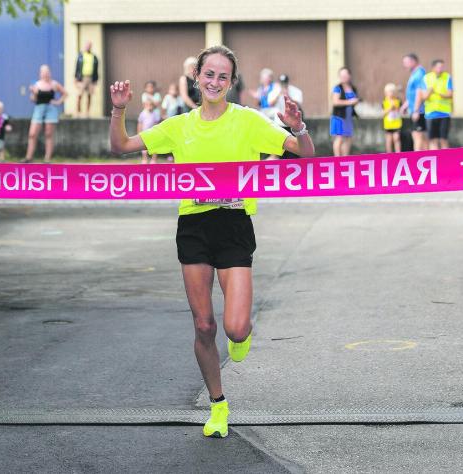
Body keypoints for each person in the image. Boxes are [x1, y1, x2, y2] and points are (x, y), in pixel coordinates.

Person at [108, 45, 315, 439]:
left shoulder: (249, 121)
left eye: (223, 76)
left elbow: (304, 155)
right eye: (209, 74)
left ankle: (242, 334)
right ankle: (218, 405)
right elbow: (121, 147)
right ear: (197, 78)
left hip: (235, 224)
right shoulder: (179, 125)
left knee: (235, 329)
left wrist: (297, 127)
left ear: (231, 82)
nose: (215, 82)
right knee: (204, 325)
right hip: (194, 227)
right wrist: (119, 110)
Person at [23, 65, 67, 163]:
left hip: (50, 109)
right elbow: (33, 100)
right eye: (43, 72)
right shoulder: (36, 85)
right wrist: (34, 93)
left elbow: (65, 93)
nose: (45, 74)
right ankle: (28, 157)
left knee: (48, 134)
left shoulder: (54, 84)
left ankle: (47, 159)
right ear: (40, 73)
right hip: (39, 109)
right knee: (32, 134)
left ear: (49, 73)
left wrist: (58, 102)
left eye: (47, 71)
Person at [416, 59, 453, 150]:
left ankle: (446, 161)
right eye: (438, 67)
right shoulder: (426, 78)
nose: (441, 69)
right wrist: (430, 91)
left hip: (444, 113)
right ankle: (436, 161)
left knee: (444, 139)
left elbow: (450, 94)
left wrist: (438, 93)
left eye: (442, 67)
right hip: (431, 114)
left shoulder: (447, 77)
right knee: (433, 140)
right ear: (433, 68)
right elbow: (423, 96)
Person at [400, 53, 427, 151]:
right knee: (420, 136)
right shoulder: (415, 74)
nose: (404, 65)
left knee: (418, 136)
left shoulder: (419, 74)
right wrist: (405, 105)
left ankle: (418, 160)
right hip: (415, 110)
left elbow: (419, 93)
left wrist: (416, 111)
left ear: (413, 61)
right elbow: (413, 93)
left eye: (406, 62)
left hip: (419, 111)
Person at [330, 67, 359, 157]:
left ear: (349, 76)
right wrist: (351, 102)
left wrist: (356, 102)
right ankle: (337, 159)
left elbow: (354, 101)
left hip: (348, 118)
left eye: (345, 75)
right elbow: (335, 102)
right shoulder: (337, 88)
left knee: (348, 138)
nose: (344, 77)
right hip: (339, 117)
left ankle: (345, 159)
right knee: (339, 138)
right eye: (342, 75)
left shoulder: (353, 88)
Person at [274, 74, 304, 159]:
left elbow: (298, 104)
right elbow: (270, 103)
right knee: (282, 148)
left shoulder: (295, 91)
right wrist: (279, 94)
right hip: (279, 123)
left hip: (292, 124)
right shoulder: (275, 90)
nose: (284, 85)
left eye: (285, 83)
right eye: (282, 83)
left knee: (294, 148)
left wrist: (288, 96)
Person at [74, 40, 100, 115]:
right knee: (80, 94)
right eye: (87, 45)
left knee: (89, 95)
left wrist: (95, 80)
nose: (88, 47)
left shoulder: (94, 57)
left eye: (89, 46)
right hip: (82, 78)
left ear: (91, 47)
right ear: (85, 46)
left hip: (91, 78)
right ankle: (78, 111)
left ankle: (87, 112)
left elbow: (96, 69)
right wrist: (76, 78)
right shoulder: (81, 56)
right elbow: (77, 67)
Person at [137, 99, 160, 164]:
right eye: (148, 105)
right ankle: (144, 159)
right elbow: (140, 123)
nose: (149, 106)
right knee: (144, 147)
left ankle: (154, 159)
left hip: (153, 134)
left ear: (153, 106)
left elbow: (156, 123)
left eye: (151, 105)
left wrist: (157, 132)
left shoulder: (155, 113)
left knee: (154, 146)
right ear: (144, 106)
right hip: (144, 133)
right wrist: (139, 132)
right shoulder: (143, 113)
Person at [383, 83, 402, 153]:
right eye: (389, 92)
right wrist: (390, 108)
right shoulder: (384, 101)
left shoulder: (398, 101)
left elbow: (400, 111)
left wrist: (396, 107)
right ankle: (389, 155)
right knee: (388, 140)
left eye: (392, 92)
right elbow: (383, 113)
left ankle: (398, 153)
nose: (391, 93)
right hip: (388, 125)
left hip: (396, 124)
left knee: (396, 138)